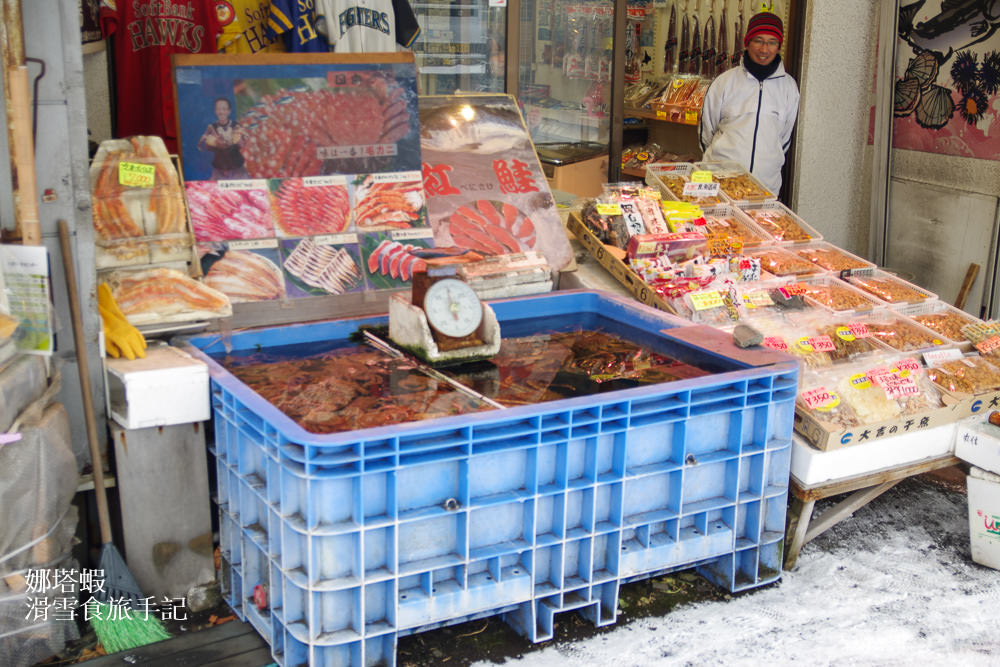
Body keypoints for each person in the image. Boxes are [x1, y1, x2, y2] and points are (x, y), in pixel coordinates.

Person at [698, 12, 799, 196]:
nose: (764, 49)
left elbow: (784, 139)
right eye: (758, 40)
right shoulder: (724, 82)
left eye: (772, 42)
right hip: (721, 183)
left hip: (765, 187)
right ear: (747, 42)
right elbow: (706, 133)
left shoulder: (789, 88)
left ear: (779, 47)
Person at [198, 97, 250, 180]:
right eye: (218, 109)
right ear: (215, 111)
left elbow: (244, 142)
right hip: (219, 170)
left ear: (229, 111)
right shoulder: (212, 127)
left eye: (224, 109)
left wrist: (238, 141)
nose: (221, 112)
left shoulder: (236, 126)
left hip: (238, 170)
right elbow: (203, 146)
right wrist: (214, 143)